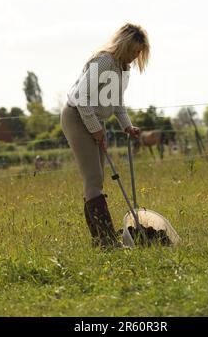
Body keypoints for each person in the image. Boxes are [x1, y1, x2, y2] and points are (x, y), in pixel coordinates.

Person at [60, 23, 150, 248]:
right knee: (93, 179)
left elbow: (116, 101)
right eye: (133, 51)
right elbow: (81, 97)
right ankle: (107, 242)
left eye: (139, 52)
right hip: (76, 116)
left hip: (93, 120)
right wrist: (95, 129)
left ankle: (101, 241)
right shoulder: (104, 61)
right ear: (123, 45)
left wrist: (126, 126)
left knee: (97, 179)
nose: (135, 56)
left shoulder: (122, 68)